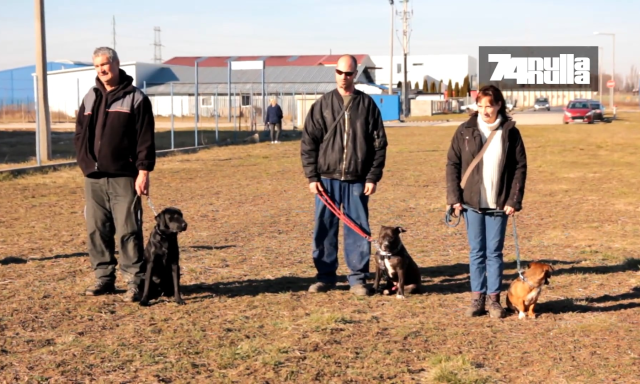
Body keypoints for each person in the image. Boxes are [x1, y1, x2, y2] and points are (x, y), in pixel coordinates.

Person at [301, 54, 388, 296]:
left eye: (349, 73)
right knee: (324, 229)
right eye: (340, 72)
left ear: (355, 74)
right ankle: (325, 276)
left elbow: (379, 144)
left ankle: (358, 279)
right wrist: (312, 177)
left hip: (357, 179)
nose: (344, 77)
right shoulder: (322, 105)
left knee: (358, 228)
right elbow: (309, 143)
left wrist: (372, 177)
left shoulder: (367, 105)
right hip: (326, 180)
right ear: (335, 73)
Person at [74, 47, 156, 302]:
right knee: (96, 229)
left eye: (105, 64)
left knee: (128, 229)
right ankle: (104, 278)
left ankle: (135, 281)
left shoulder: (136, 98)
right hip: (94, 178)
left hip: (124, 177)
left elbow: (145, 139)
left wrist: (143, 171)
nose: (102, 70)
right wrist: (84, 161)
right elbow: (79, 133)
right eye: (97, 66)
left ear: (117, 64)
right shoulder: (90, 96)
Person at [446, 84, 527, 319]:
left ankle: (494, 299)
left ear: (499, 105)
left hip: (499, 204)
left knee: (494, 253)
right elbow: (452, 164)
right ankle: (476, 298)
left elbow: (520, 168)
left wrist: (514, 199)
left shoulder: (510, 132)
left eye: (489, 105)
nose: (484, 110)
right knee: (476, 252)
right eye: (480, 105)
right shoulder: (464, 130)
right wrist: (454, 199)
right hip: (471, 202)